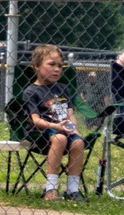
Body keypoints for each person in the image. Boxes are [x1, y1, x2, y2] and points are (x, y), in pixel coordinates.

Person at [23, 44, 85, 201]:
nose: (57, 69)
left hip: (64, 129)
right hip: (42, 133)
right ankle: (50, 189)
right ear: (36, 66)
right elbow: (35, 120)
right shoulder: (31, 91)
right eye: (51, 64)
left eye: (60, 65)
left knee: (78, 143)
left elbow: (70, 114)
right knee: (60, 138)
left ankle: (72, 190)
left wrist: (75, 131)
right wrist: (55, 127)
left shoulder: (63, 89)